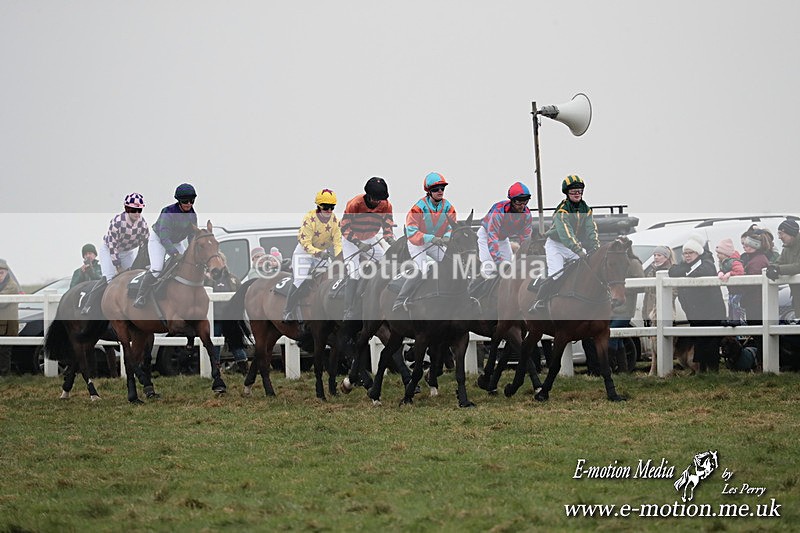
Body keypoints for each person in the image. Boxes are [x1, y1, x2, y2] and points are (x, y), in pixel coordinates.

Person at [530, 175, 599, 313]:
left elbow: (591, 229)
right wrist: (579, 250)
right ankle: (540, 301)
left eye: (579, 191)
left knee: (587, 269)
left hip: (573, 246)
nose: (577, 194)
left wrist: (596, 247)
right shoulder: (562, 210)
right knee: (556, 274)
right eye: (573, 192)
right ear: (567, 193)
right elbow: (566, 234)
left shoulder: (587, 209)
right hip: (556, 245)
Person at [393, 172, 457, 312]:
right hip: (417, 243)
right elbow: (411, 232)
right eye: (436, 189)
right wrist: (431, 238)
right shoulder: (418, 208)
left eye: (442, 188)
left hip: (437, 243)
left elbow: (452, 227)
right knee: (422, 270)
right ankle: (400, 300)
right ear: (429, 191)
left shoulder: (449, 207)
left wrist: (447, 236)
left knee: (452, 264)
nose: (440, 191)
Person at [340, 177, 395, 320]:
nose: (378, 202)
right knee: (354, 272)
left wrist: (389, 237)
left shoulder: (386, 205)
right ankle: (348, 310)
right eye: (376, 198)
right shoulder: (355, 204)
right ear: (368, 195)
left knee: (386, 264)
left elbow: (387, 225)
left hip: (371, 238)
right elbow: (344, 227)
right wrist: (358, 243)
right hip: (350, 239)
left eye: (380, 198)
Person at [134, 184, 198, 308]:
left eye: (192, 200)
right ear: (179, 201)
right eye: (185, 201)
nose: (189, 203)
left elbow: (192, 237)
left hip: (176, 241)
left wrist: (193, 252)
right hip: (158, 240)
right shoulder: (167, 212)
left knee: (186, 265)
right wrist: (174, 253)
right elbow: (164, 238)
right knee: (157, 268)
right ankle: (140, 296)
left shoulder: (192, 215)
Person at [283, 189, 343, 321]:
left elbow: (338, 242)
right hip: (304, 253)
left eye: (332, 208)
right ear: (319, 206)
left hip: (322, 254)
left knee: (330, 278)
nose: (329, 211)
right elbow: (305, 242)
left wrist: (339, 258)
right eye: (326, 207)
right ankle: (288, 310)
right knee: (300, 279)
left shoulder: (335, 221)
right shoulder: (309, 219)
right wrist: (318, 252)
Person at [668, 236, 726, 372]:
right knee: (699, 340)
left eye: (690, 253)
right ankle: (702, 370)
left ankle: (713, 370)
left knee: (710, 340)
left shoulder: (706, 263)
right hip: (695, 311)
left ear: (698, 253)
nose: (687, 256)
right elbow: (673, 271)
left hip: (711, 310)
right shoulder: (687, 265)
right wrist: (686, 271)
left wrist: (686, 273)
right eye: (685, 253)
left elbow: (702, 272)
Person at [477, 181, 533, 278]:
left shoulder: (527, 214)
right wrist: (498, 262)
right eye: (519, 201)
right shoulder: (499, 211)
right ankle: (476, 289)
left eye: (525, 201)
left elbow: (525, 239)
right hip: (487, 237)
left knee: (508, 269)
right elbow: (492, 237)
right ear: (511, 200)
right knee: (489, 268)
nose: (522, 205)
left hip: (503, 239)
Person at [204, 253, 248, 375]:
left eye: (219, 260)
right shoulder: (207, 280)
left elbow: (240, 297)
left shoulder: (233, 279)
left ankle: (245, 369)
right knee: (214, 345)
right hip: (215, 318)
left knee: (236, 344)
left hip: (230, 318)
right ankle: (215, 370)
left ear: (223, 262)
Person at [766, 218, 800, 320]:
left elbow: (798, 266)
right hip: (796, 294)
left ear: (791, 233)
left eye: (781, 234)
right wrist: (771, 268)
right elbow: (779, 262)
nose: (779, 237)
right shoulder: (786, 248)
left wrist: (779, 270)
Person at [715, 238, 745, 325]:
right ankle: (731, 319)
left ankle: (736, 320)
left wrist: (730, 274)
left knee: (735, 305)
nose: (717, 255)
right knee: (730, 304)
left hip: (738, 290)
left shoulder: (734, 262)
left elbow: (740, 271)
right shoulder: (723, 262)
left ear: (726, 254)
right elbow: (722, 270)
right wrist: (720, 272)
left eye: (719, 253)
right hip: (731, 290)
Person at [0, 259, 20, 376]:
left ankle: (4, 375)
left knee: (4, 352)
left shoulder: (11, 286)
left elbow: (2, 302)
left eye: (1, 273)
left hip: (7, 326)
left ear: (6, 272)